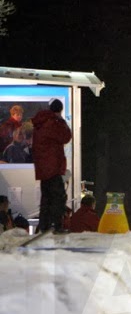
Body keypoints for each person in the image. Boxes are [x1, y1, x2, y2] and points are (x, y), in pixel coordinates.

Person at [32, 99, 72, 234]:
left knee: (46, 197)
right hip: (53, 167)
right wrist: (61, 120)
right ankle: (57, 226)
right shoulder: (52, 124)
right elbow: (66, 136)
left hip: (43, 168)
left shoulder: (41, 123)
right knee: (58, 197)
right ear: (59, 110)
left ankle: (44, 226)